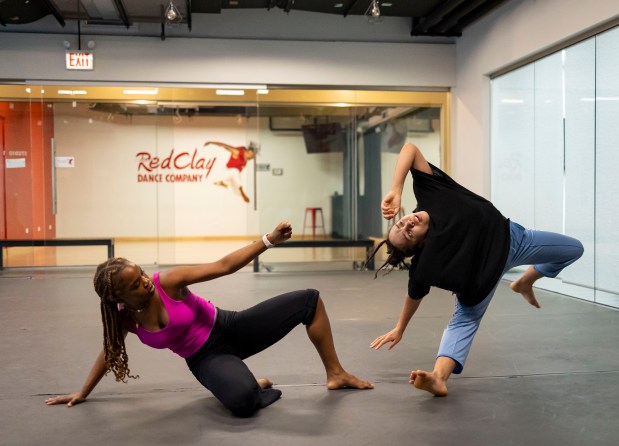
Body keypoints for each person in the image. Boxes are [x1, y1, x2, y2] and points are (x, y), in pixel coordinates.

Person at [45, 222, 373, 417]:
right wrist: (83, 391)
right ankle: (248, 382)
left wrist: (269, 240)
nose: (145, 282)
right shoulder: (124, 319)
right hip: (205, 358)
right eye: (134, 284)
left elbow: (223, 265)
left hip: (232, 327)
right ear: (118, 299)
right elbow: (108, 352)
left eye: (142, 274)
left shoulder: (169, 282)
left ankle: (337, 373)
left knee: (308, 300)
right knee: (243, 404)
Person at [369, 142, 583, 397]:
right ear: (420, 244)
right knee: (463, 322)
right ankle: (438, 378)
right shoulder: (425, 263)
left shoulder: (430, 192)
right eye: (408, 233)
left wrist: (395, 189)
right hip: (483, 281)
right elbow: (413, 296)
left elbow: (410, 149)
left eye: (401, 224)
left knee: (574, 249)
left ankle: (526, 281)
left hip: (513, 241)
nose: (407, 224)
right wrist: (400, 327)